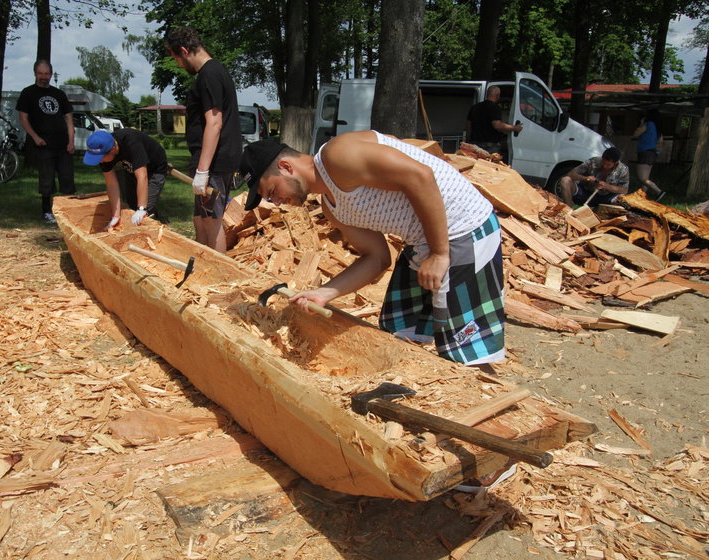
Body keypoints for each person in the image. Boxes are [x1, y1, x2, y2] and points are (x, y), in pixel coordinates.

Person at [239, 132, 505, 366]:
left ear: (286, 167)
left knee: (462, 348)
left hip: (463, 229)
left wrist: (439, 254)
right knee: (399, 327)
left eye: (271, 191)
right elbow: (377, 258)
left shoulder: (338, 156)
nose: (275, 201)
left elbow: (420, 176)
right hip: (423, 242)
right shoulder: (333, 208)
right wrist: (323, 294)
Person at [164, 27, 242, 253]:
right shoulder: (211, 73)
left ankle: (218, 279)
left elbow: (214, 122)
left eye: (175, 58)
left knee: (211, 220)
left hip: (214, 163)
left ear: (184, 50)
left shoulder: (209, 75)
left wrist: (203, 171)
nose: (178, 64)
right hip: (208, 161)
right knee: (200, 218)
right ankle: (200, 266)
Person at [16, 60, 75, 223]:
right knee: (47, 179)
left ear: (51, 74)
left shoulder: (59, 94)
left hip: (63, 143)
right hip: (44, 144)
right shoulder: (28, 93)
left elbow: (69, 118)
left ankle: (68, 211)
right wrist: (35, 137)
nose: (44, 77)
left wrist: (71, 140)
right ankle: (47, 211)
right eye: (41, 74)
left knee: (67, 179)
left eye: (47, 74)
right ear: (35, 73)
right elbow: (23, 118)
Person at [83, 129, 168, 229]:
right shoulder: (104, 151)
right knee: (132, 205)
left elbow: (142, 176)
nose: (100, 161)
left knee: (146, 210)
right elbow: (111, 184)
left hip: (155, 168)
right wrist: (115, 215)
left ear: (113, 148)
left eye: (101, 158)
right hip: (132, 167)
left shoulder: (131, 142)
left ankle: (155, 230)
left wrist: (141, 209)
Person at [466, 85, 522, 162]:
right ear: (497, 95)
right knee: (490, 166)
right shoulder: (495, 108)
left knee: (477, 166)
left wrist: (468, 140)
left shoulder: (475, 107)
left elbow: (469, 125)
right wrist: (515, 128)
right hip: (490, 145)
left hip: (475, 143)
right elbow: (497, 125)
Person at [558, 147, 629, 207]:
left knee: (622, 199)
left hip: (607, 198)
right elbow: (571, 174)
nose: (605, 166)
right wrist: (586, 178)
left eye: (608, 164)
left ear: (615, 163)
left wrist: (606, 186)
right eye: (603, 163)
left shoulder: (623, 170)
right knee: (565, 180)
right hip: (585, 193)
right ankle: (569, 207)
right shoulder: (593, 161)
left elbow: (624, 190)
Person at [632, 109, 665, 201]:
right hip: (653, 153)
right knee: (646, 177)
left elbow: (635, 134)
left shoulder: (648, 124)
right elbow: (661, 141)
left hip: (645, 152)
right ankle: (643, 196)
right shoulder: (658, 128)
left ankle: (658, 191)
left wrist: (641, 124)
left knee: (642, 177)